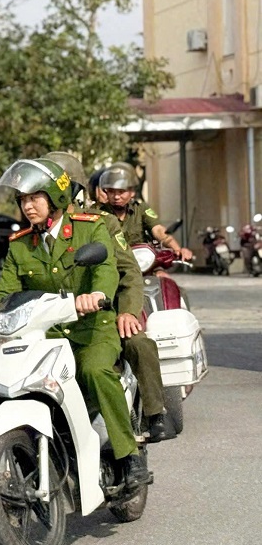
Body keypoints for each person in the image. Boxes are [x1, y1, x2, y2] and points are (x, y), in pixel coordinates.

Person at [0, 159, 150, 488]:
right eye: (23, 200)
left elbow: (105, 268)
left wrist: (95, 294)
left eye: (35, 197)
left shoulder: (89, 227)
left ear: (55, 198)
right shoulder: (21, 244)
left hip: (92, 330)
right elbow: (7, 290)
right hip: (46, 335)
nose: (28, 206)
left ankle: (127, 456)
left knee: (93, 370)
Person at [45, 151, 175, 442]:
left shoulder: (99, 221)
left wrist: (127, 311)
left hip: (104, 311)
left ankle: (155, 414)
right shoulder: (34, 231)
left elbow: (129, 272)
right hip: (56, 317)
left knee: (138, 343)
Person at [98, 163, 192, 261]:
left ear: (132, 192)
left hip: (142, 263)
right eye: (111, 191)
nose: (116, 197)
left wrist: (177, 249)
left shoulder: (141, 209)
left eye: (121, 192)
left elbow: (158, 230)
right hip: (111, 264)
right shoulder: (98, 213)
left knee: (162, 276)